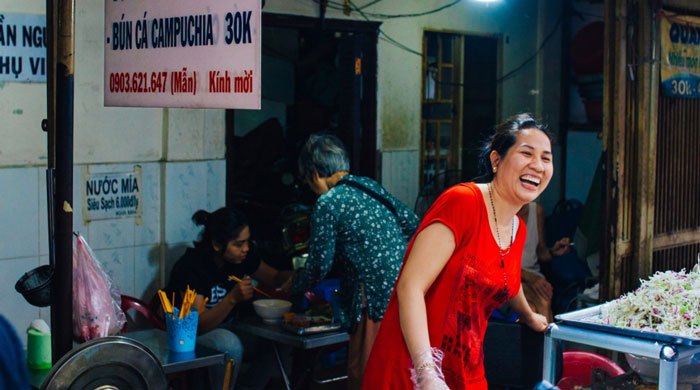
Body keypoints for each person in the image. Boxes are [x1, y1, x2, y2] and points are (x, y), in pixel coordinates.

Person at [363, 113, 554, 390]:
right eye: (527, 153)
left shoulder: (518, 228)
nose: (537, 165)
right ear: (496, 160)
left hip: (466, 372)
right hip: (411, 369)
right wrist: (426, 373)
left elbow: (508, 282)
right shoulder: (463, 203)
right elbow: (410, 287)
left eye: (546, 158)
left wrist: (529, 316)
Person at [289, 134, 420, 389]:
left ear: (314, 174)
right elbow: (414, 224)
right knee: (392, 372)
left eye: (308, 181)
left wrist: (295, 284)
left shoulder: (328, 202)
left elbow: (319, 266)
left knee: (366, 373)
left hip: (369, 298)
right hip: (401, 295)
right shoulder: (371, 187)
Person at [165, 207, 292, 390]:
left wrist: (303, 275)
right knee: (229, 343)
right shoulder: (191, 268)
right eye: (239, 244)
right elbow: (196, 325)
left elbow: (274, 277)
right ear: (217, 244)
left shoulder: (241, 258)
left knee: (279, 337)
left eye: (248, 242)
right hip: (190, 337)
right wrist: (232, 299)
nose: (246, 249)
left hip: (233, 327)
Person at [518, 202, 571, 323]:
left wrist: (553, 252)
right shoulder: (497, 210)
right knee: (539, 303)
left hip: (533, 277)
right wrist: (530, 278)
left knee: (542, 298)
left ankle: (548, 339)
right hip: (506, 276)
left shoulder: (536, 210)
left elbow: (541, 251)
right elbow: (494, 262)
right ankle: (550, 339)